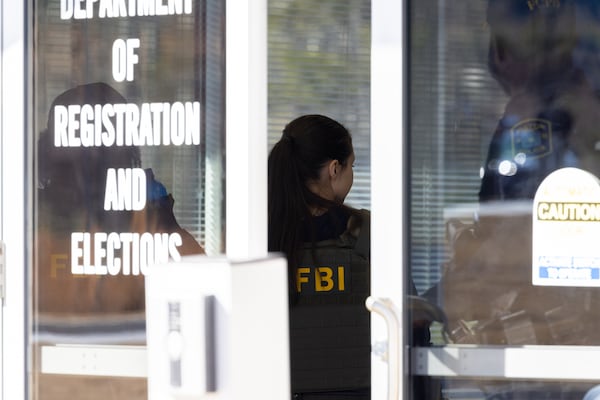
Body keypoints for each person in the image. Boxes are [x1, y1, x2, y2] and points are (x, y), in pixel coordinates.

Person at [268, 114, 370, 400]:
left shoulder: (257, 238)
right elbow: (411, 321)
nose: (352, 174)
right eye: (352, 166)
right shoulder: (367, 233)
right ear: (334, 169)